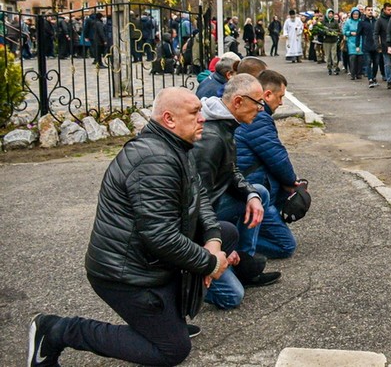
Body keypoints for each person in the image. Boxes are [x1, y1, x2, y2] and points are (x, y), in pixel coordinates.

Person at [26, 88, 236, 367]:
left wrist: (212, 242)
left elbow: (201, 201)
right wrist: (209, 263)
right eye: (195, 112)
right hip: (124, 274)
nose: (203, 119)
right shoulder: (154, 160)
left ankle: (168, 318)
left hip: (151, 261)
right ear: (169, 119)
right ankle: (54, 330)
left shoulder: (179, 147)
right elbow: (161, 237)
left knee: (226, 233)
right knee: (172, 350)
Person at [194, 74, 280, 309]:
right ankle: (186, 283)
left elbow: (231, 170)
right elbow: (198, 201)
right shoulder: (211, 138)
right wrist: (217, 246)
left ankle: (244, 264)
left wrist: (250, 195)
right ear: (238, 102)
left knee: (259, 192)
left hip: (213, 204)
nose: (261, 110)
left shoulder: (226, 125)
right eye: (258, 103)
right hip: (196, 221)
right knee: (232, 296)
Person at [235, 70, 299, 259]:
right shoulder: (259, 117)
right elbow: (276, 157)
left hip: (252, 183)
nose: (281, 103)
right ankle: (237, 243)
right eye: (280, 97)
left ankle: (250, 233)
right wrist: (292, 182)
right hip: (253, 189)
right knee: (285, 246)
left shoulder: (257, 115)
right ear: (267, 94)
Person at [374, 2, 391, 89]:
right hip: (385, 45)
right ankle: (389, 80)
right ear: (384, 10)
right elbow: (376, 33)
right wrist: (377, 45)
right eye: (388, 10)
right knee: (387, 64)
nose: (390, 11)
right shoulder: (380, 20)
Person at [343, 7, 365, 80]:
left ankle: (359, 74)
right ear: (352, 14)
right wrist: (350, 33)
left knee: (360, 59)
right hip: (351, 41)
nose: (356, 15)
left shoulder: (361, 21)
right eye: (354, 14)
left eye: (357, 14)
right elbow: (344, 31)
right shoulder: (348, 22)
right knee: (353, 58)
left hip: (360, 41)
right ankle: (353, 74)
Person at [361, 6, 378, 87]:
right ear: (365, 12)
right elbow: (358, 34)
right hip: (366, 46)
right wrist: (357, 45)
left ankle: (374, 77)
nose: (370, 11)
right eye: (368, 10)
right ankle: (370, 79)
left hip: (376, 46)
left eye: (371, 10)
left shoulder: (376, 21)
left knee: (376, 63)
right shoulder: (362, 22)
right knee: (368, 62)